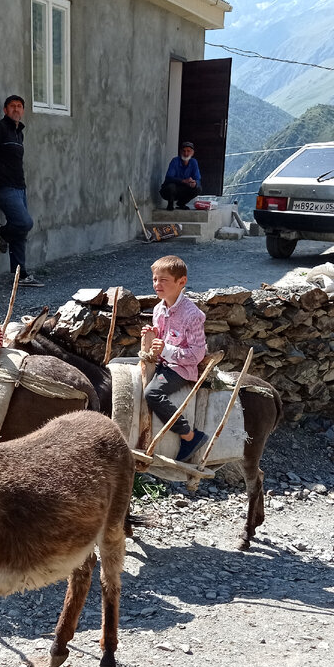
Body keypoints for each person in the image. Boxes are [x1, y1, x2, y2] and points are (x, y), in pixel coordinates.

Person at [142, 254, 208, 463]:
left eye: (163, 280)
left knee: (152, 393)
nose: (157, 284)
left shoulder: (192, 315)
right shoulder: (158, 309)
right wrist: (153, 334)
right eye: (154, 279)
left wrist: (166, 349)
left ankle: (189, 435)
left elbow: (197, 355)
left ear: (182, 282)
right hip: (163, 362)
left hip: (180, 369)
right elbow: (161, 340)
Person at [0, 95, 37, 284]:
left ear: (23, 110)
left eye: (20, 106)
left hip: (20, 187)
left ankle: (21, 275)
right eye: (12, 106)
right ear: (5, 110)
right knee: (24, 223)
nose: (16, 109)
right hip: (3, 187)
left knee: (21, 232)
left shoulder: (19, 133)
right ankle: (3, 233)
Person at [160, 141, 201, 210]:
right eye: (184, 151)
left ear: (192, 153)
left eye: (188, 151)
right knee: (171, 186)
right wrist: (183, 181)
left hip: (184, 190)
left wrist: (194, 183)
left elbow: (198, 179)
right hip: (170, 191)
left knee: (198, 188)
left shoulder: (194, 162)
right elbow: (168, 178)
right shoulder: (175, 161)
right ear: (180, 152)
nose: (186, 153)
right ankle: (170, 204)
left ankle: (181, 203)